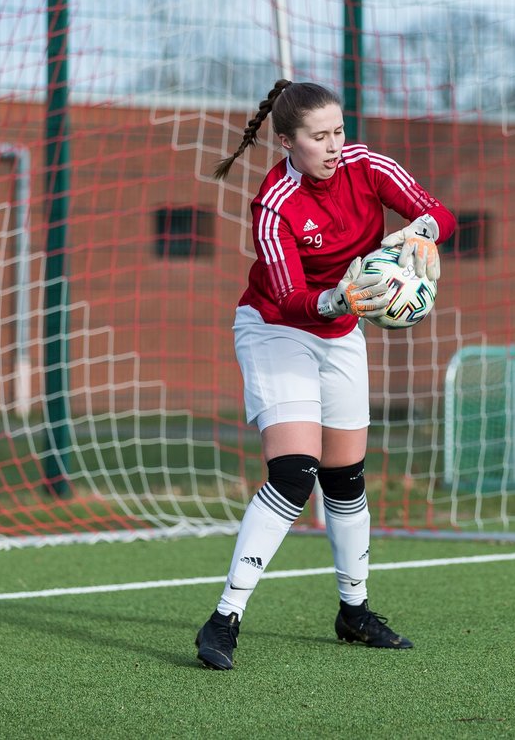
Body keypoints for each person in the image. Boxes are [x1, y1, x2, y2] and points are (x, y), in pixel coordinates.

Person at [194, 79, 456, 670]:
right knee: (293, 473)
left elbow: (438, 212)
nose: (335, 145)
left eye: (338, 131)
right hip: (277, 330)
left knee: (344, 478)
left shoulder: (369, 166)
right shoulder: (274, 203)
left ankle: (354, 612)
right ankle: (224, 618)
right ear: (287, 141)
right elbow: (288, 297)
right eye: (319, 136)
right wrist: (338, 300)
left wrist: (422, 235)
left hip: (341, 335)